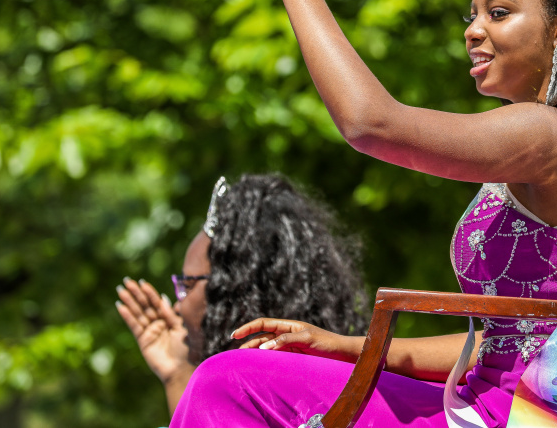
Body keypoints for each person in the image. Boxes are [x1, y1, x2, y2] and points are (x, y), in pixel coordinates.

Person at [169, 0, 557, 428]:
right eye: (472, 14)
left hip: (507, 417)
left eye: (499, 12)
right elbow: (499, 342)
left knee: (229, 384)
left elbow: (372, 124)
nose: (473, 30)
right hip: (482, 401)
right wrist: (347, 345)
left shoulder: (550, 131)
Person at [115, 173, 368, 417]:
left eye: (188, 284)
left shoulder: (233, 383)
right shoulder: (341, 377)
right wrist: (177, 374)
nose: (177, 307)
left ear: (231, 289)